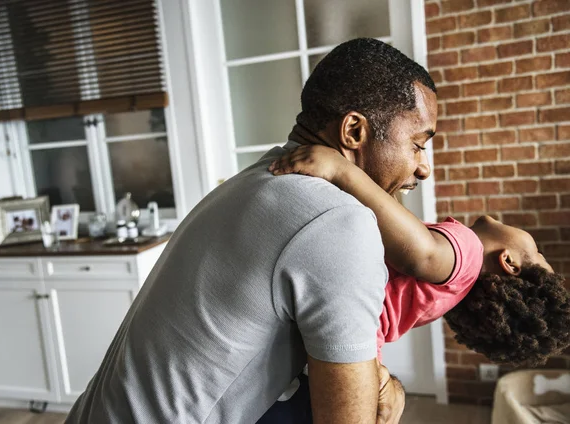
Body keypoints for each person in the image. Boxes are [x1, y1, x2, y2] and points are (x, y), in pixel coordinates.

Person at [66, 37, 436, 423]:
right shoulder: (339, 222)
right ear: (354, 132)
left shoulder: (252, 183)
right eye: (417, 144)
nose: (423, 167)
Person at [260, 144, 570, 422]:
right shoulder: (450, 293)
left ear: (510, 263)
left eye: (538, 253)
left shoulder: (467, 251)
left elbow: (420, 253)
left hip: (341, 338)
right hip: (356, 354)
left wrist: (343, 170)